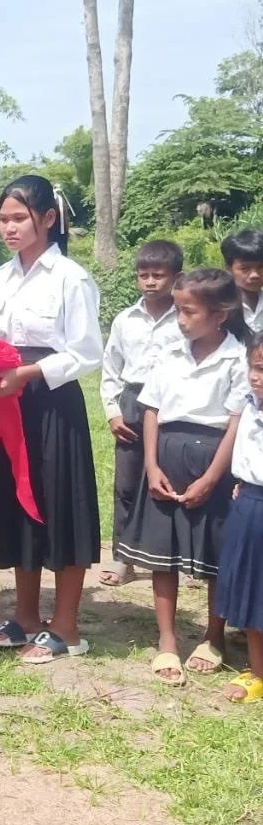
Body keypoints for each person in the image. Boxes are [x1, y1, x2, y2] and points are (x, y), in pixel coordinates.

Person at [0, 174, 103, 665]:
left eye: (19, 218)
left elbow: (87, 351)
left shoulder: (71, 277)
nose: (9, 228)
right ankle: (26, 617)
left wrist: (28, 374)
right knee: (20, 503)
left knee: (61, 504)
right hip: (8, 404)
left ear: (48, 218)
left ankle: (67, 626)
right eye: (3, 219)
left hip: (53, 404)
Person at [115, 268, 248, 685]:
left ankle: (214, 635)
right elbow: (151, 409)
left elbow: (236, 422)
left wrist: (212, 477)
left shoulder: (238, 359)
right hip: (166, 456)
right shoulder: (170, 353)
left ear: (219, 315)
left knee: (215, 554)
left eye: (189, 312)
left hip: (214, 460)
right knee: (163, 553)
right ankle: (168, 639)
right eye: (177, 311)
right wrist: (151, 465)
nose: (180, 319)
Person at [98, 240, 183, 587]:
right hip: (133, 402)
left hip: (174, 405)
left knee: (172, 479)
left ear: (176, 277)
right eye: (143, 275)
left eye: (158, 275)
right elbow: (111, 368)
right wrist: (112, 412)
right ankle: (123, 557)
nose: (149, 282)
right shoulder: (125, 320)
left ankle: (177, 556)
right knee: (128, 483)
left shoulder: (185, 317)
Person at [214, 330, 263, 703]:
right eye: (255, 367)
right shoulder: (249, 404)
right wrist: (242, 482)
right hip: (249, 504)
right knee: (250, 588)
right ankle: (257, 672)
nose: (257, 377)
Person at [220, 227, 263, 335]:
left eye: (261, 267)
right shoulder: (221, 305)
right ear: (229, 269)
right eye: (245, 268)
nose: (255, 275)